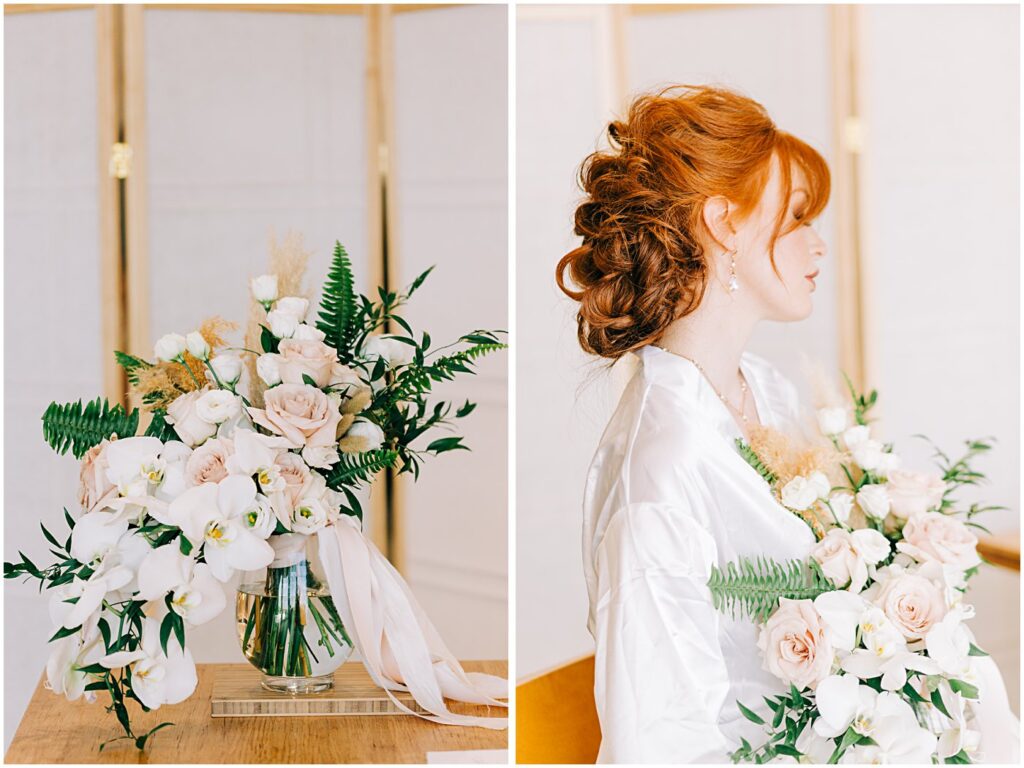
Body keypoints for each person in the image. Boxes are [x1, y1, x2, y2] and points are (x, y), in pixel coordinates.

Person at [556, 84, 1019, 763]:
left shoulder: (764, 391)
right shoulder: (659, 468)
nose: (819, 244)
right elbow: (662, 743)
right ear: (724, 224)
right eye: (798, 217)